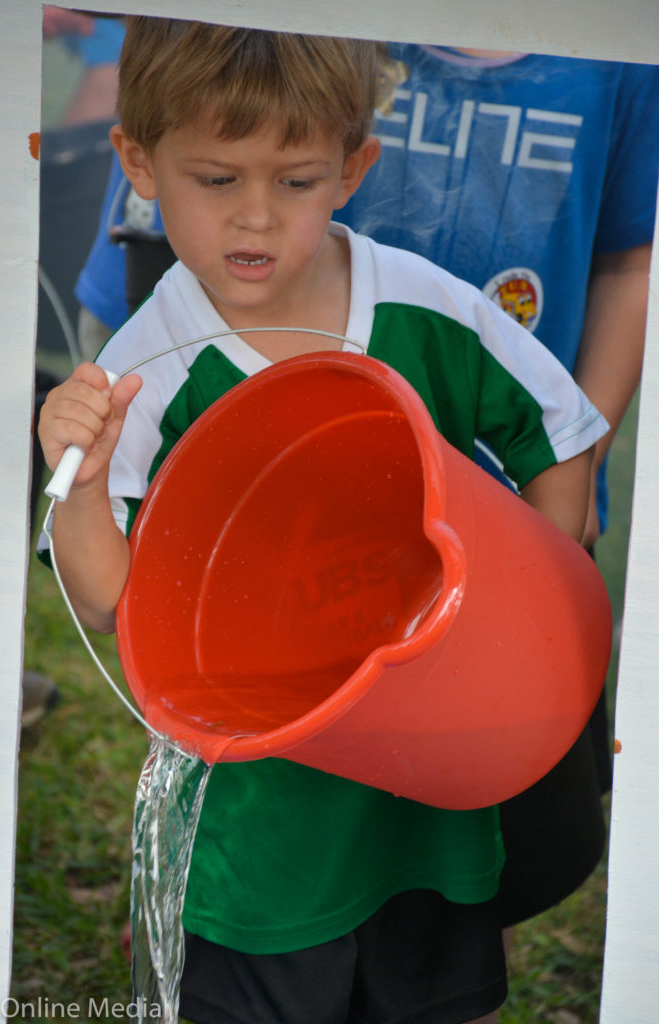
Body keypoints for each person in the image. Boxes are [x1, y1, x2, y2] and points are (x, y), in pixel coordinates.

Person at [38, 18, 608, 1024]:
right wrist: (79, 485)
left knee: (438, 992)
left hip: (431, 783)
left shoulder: (425, 308)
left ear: (353, 168)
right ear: (137, 160)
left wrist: (537, 615)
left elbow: (559, 435)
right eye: (216, 180)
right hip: (264, 818)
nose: (255, 219)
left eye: (296, 182)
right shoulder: (146, 370)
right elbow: (105, 593)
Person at [333, 42, 659, 927]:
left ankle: (455, 965)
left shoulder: (617, 48)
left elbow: (630, 262)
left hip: (514, 517)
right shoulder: (338, 29)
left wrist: (574, 462)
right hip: (333, 509)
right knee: (322, 750)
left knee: (489, 814)